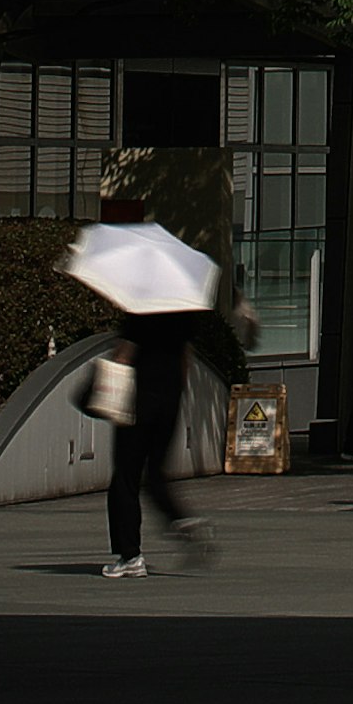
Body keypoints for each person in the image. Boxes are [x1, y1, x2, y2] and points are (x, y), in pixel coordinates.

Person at [88, 188, 212, 582]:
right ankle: (183, 521)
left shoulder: (141, 307)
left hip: (138, 397)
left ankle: (130, 555)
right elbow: (186, 357)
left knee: (125, 475)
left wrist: (109, 367)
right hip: (170, 395)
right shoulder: (184, 306)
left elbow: (126, 354)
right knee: (155, 473)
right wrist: (179, 392)